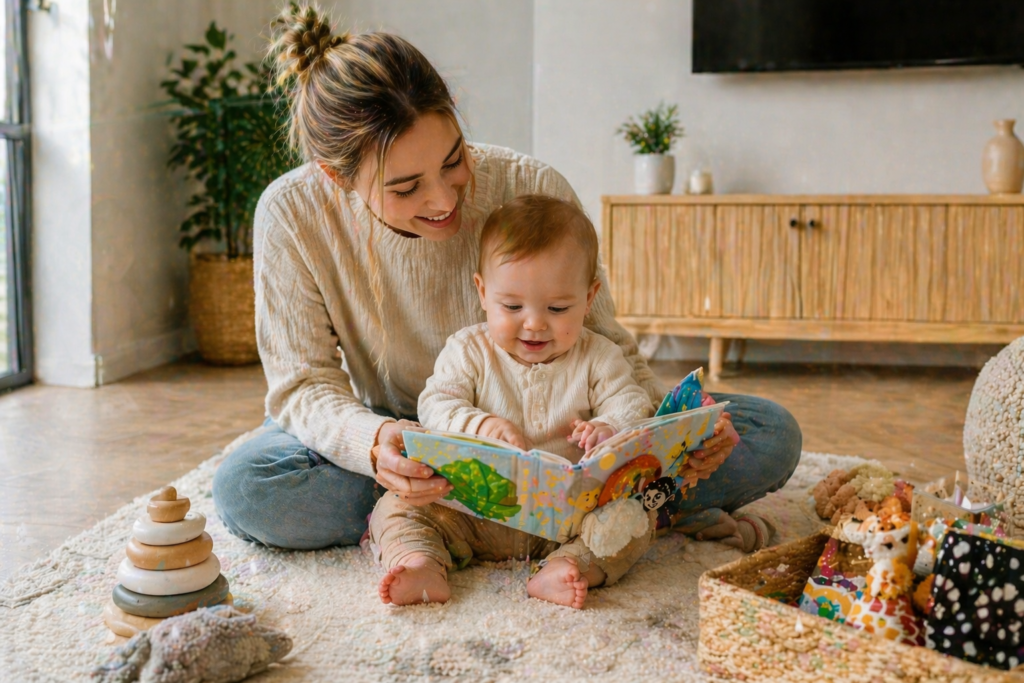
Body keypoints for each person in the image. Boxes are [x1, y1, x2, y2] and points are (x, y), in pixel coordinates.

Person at [211, 4, 802, 554]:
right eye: (406, 188)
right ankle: (595, 511)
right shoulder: (292, 214)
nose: (444, 200)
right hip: (398, 430)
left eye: (453, 160)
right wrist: (371, 445)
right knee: (248, 488)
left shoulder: (530, 186)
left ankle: (480, 514)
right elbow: (303, 384)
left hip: (547, 440)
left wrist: (671, 434)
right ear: (336, 178)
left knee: (768, 433)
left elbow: (606, 348)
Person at [371, 194, 714, 608]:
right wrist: (480, 424)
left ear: (589, 298)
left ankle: (566, 567)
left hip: (567, 522)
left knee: (634, 520)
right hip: (467, 513)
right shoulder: (468, 350)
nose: (534, 323)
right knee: (396, 505)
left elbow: (631, 402)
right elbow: (436, 404)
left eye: (557, 307)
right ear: (482, 292)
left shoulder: (599, 356)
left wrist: (609, 428)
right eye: (512, 306)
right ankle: (420, 562)